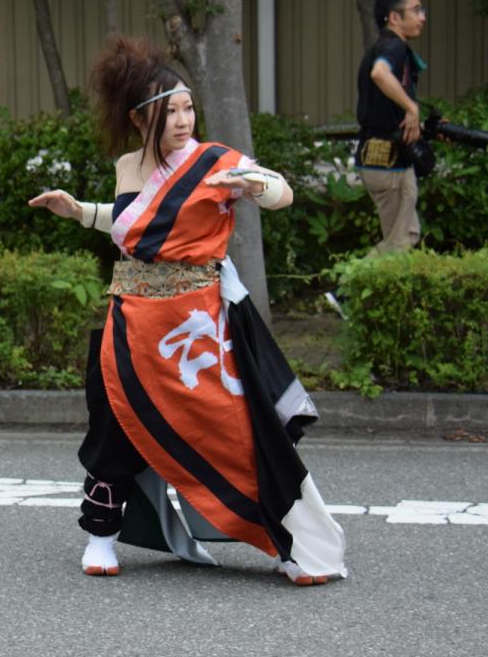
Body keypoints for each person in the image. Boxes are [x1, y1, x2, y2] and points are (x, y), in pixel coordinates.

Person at [28, 36, 347, 586]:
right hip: (130, 320)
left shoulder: (216, 162)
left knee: (236, 429)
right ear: (138, 117)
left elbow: (281, 192)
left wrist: (255, 184)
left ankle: (288, 542)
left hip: (195, 325)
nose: (182, 119)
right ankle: (101, 534)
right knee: (114, 423)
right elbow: (135, 227)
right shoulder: (129, 165)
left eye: (187, 107)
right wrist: (81, 212)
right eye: (168, 110)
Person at [355, 0, 428, 255]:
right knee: (399, 243)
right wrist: (412, 109)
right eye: (417, 10)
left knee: (407, 235)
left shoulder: (393, 48)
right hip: (386, 160)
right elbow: (380, 74)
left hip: (391, 159)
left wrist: (415, 116)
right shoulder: (393, 46)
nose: (422, 17)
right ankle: (343, 291)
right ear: (395, 17)